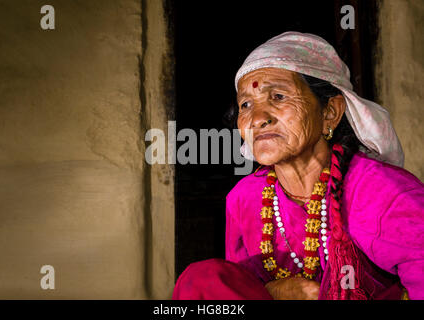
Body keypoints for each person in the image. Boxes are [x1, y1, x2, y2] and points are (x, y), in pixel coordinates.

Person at [172, 32, 424, 300]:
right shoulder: (244, 199)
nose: (257, 118)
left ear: (330, 112)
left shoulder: (383, 193)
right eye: (246, 104)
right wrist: (270, 293)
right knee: (201, 281)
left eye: (278, 97)